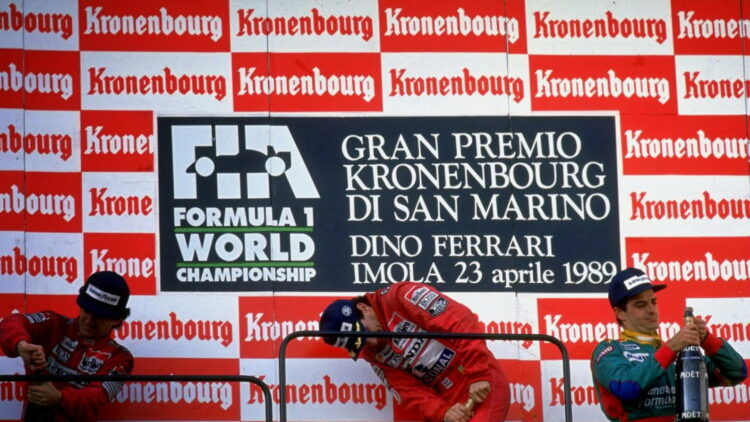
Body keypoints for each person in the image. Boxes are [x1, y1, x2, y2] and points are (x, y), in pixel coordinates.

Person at [319, 282, 510, 422]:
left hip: (479, 381)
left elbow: (459, 320)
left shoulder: (401, 296)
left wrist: (477, 373)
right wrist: (443, 412)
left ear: (363, 308)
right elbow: (407, 390)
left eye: (364, 333)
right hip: (450, 400)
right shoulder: (370, 351)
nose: (369, 342)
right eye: (358, 344)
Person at [590, 267, 747, 422]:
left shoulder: (676, 354)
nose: (652, 310)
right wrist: (670, 349)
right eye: (641, 304)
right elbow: (627, 388)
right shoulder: (610, 350)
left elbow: (736, 373)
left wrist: (707, 339)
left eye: (653, 302)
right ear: (620, 313)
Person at [0, 271, 134, 422]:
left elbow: (97, 397)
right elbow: (10, 322)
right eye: (86, 310)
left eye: (99, 316)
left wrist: (60, 398)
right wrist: (20, 344)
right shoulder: (54, 324)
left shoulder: (120, 358)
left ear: (117, 319)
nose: (89, 320)